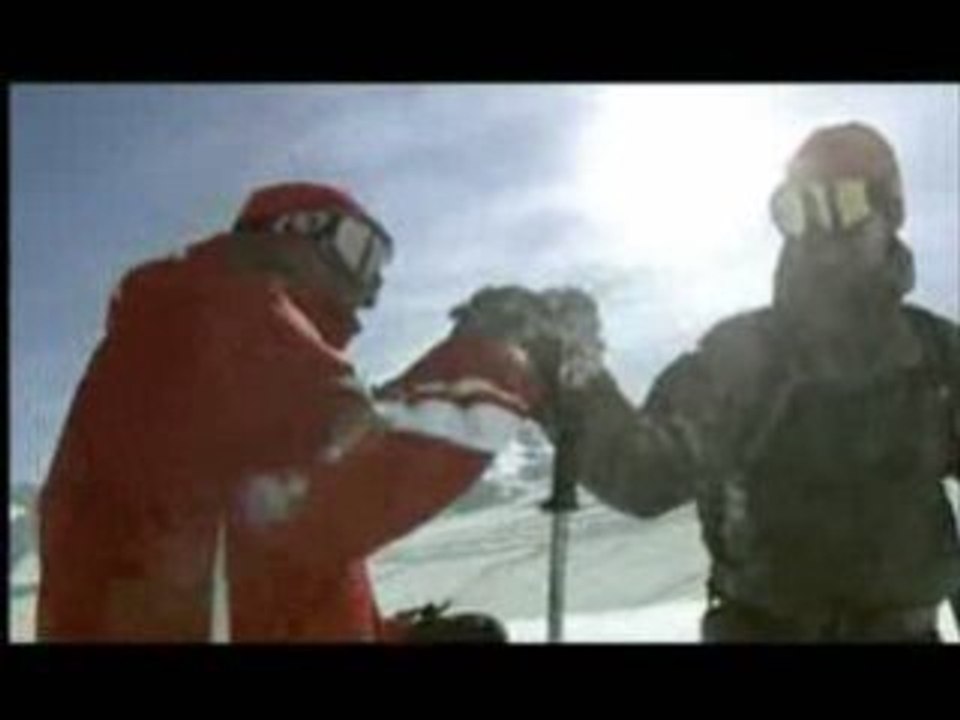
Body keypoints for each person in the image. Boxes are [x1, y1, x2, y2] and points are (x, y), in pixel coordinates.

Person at [36, 182, 560, 642]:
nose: (371, 287)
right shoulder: (216, 309)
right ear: (290, 234)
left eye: (380, 267)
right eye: (361, 252)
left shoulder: (202, 341)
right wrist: (505, 355)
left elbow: (258, 573)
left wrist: (386, 635)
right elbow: (365, 478)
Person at [538, 123, 960, 642]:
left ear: (889, 213)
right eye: (796, 209)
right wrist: (569, 371)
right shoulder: (744, 354)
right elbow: (642, 474)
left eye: (842, 204)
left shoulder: (935, 355)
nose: (818, 230)